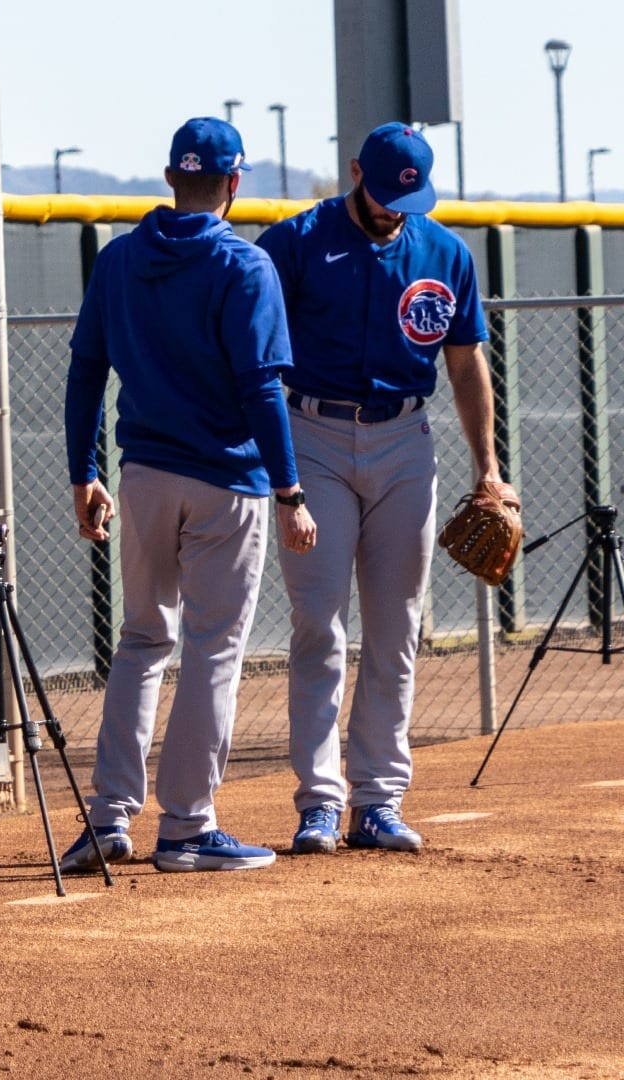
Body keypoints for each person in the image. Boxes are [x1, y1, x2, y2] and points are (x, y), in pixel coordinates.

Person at [60, 118, 316, 876]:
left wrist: (83, 472)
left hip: (140, 477)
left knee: (141, 643)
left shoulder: (118, 260)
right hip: (224, 483)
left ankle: (109, 818)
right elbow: (261, 389)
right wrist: (291, 489)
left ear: (171, 178)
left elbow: (83, 375)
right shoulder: (245, 264)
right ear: (234, 184)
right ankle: (187, 827)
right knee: (212, 651)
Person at [256, 123, 510, 856]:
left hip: (406, 438)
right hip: (315, 437)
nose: (395, 210)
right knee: (319, 624)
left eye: (409, 198)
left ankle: (378, 798)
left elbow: (465, 366)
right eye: (384, 193)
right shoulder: (297, 242)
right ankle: (319, 802)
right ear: (355, 171)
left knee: (397, 627)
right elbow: (255, 359)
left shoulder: (443, 252)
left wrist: (487, 466)